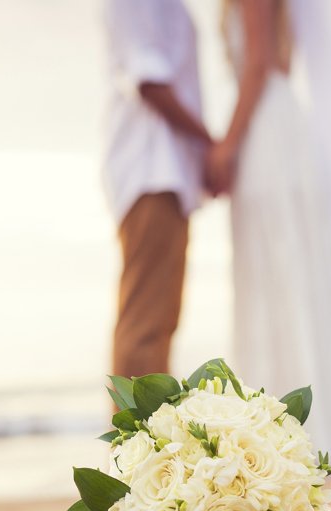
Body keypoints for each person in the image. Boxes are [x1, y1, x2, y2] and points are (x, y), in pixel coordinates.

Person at [207, 0, 331, 470]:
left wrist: (226, 147)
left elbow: (259, 64)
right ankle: (311, 429)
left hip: (266, 135)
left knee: (272, 277)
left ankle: (285, 435)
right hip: (281, 128)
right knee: (290, 276)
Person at [102, 0, 212, 380]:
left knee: (160, 321)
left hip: (168, 171)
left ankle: (147, 438)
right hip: (151, 168)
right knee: (145, 324)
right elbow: (147, 79)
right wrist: (208, 146)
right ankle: (133, 439)